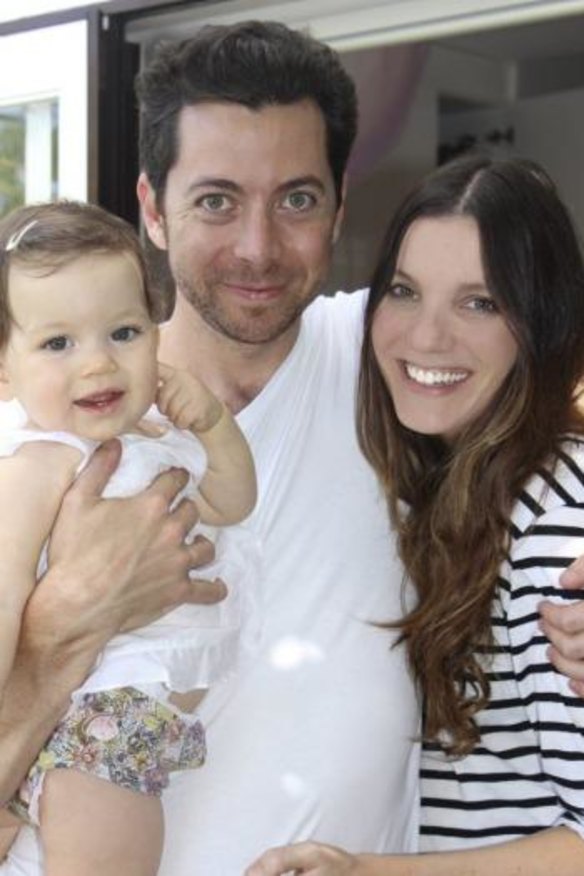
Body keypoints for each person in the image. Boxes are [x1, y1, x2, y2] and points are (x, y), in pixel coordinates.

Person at [3, 21, 584, 876]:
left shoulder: (391, 355)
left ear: (342, 204)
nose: (258, 248)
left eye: (297, 199)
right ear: (153, 209)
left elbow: (537, 400)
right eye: (216, 200)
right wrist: (60, 629)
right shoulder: (42, 444)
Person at [244, 154, 584, 875]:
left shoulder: (556, 533)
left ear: (542, 323)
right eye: (404, 292)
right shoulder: (453, 490)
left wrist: (367, 872)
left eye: (479, 303)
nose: (425, 338)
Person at [0, 200, 257, 876]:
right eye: (58, 343)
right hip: (94, 711)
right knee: (109, 837)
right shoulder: (39, 466)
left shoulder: (157, 441)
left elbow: (231, 504)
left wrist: (213, 427)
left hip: (135, 700)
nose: (98, 365)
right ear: (4, 369)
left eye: (123, 332)